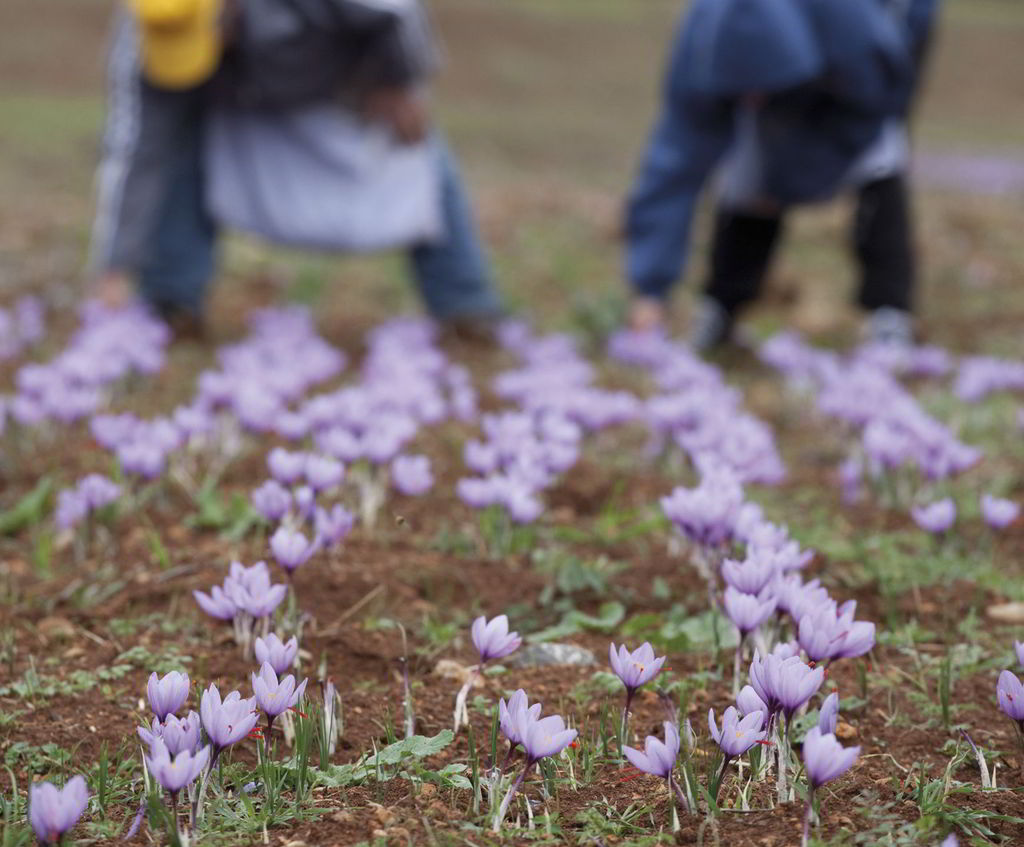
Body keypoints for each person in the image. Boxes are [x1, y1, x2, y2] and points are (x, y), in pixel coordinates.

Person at [88, 0, 503, 337]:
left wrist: (399, 81)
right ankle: (170, 301)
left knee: (415, 152)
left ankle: (465, 303)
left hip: (333, 74)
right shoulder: (149, 34)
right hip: (235, 101)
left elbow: (395, 11)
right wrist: (115, 265)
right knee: (175, 149)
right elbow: (140, 150)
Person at [625, 0, 939, 349]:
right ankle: (723, 305)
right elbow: (675, 157)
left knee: (880, 160)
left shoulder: (853, 32)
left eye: (761, 89)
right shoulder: (702, 45)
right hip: (798, 72)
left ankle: (890, 311)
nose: (755, 101)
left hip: (865, 60)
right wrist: (650, 288)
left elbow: (880, 104)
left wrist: (800, 173)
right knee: (751, 170)